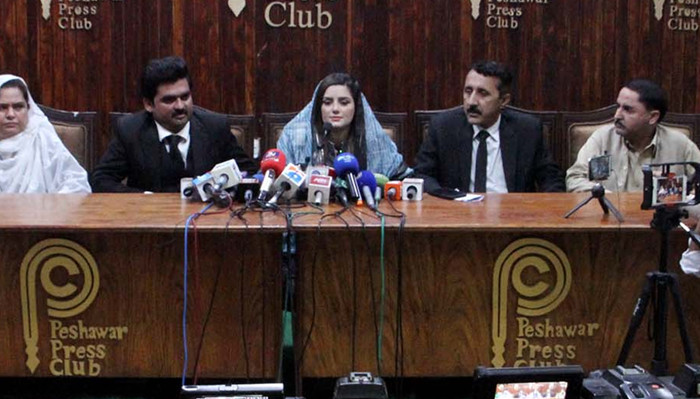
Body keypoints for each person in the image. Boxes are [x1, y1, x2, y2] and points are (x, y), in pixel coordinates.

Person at [91, 56, 257, 193]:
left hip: (205, 218)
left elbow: (249, 173)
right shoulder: (130, 130)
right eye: (169, 100)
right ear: (149, 104)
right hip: (150, 219)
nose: (180, 106)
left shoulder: (215, 126)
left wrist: (219, 190)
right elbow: (101, 180)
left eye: (185, 97)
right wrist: (144, 199)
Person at [414, 61, 565, 194]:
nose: (472, 102)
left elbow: (551, 179)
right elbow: (422, 175)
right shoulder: (444, 127)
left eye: (483, 93)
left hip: (513, 212)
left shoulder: (527, 130)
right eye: (468, 91)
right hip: (458, 212)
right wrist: (446, 197)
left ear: (504, 100)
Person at [566, 79, 700, 192]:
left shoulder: (680, 145)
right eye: (618, 106)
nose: (617, 115)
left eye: (628, 109)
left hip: (660, 215)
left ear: (653, 117)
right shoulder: (602, 138)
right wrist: (605, 197)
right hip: (609, 214)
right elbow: (574, 179)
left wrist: (675, 191)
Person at [276, 72, 410, 179]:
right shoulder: (294, 139)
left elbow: (403, 179)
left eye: (344, 102)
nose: (335, 109)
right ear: (318, 108)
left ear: (356, 107)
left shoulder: (375, 141)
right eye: (327, 102)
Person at [0, 74, 90, 193]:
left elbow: (76, 183)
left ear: (28, 108)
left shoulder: (42, 138)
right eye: (2, 108)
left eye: (18, 107)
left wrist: (52, 202)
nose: (10, 114)